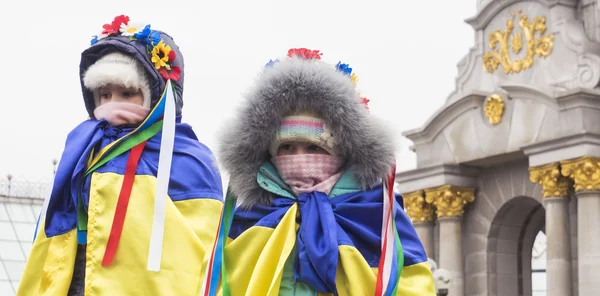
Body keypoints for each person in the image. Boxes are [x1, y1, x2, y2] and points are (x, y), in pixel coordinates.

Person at [18, 15, 223, 296]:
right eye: (104, 94)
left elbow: (204, 253)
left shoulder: (189, 159)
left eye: (127, 93)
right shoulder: (82, 150)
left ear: (156, 94)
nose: (113, 104)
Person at [217, 48, 436, 295]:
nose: (299, 159)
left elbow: (412, 281)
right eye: (287, 148)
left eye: (314, 148)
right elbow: (222, 279)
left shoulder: (375, 211)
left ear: (341, 152)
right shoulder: (251, 213)